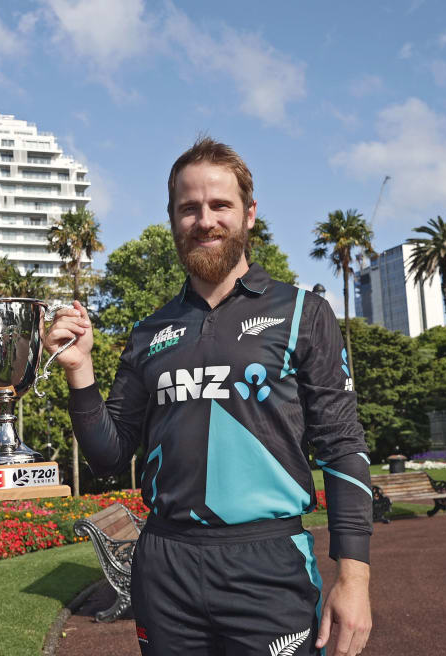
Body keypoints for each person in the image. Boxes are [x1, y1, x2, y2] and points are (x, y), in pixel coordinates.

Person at [48, 137, 373, 656]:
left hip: (270, 565)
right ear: (173, 218)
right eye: (188, 208)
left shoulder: (303, 313)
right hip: (165, 568)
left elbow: (342, 446)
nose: (205, 220)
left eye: (220, 205)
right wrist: (80, 371)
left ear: (249, 214)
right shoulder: (149, 332)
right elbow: (109, 457)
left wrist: (353, 581)